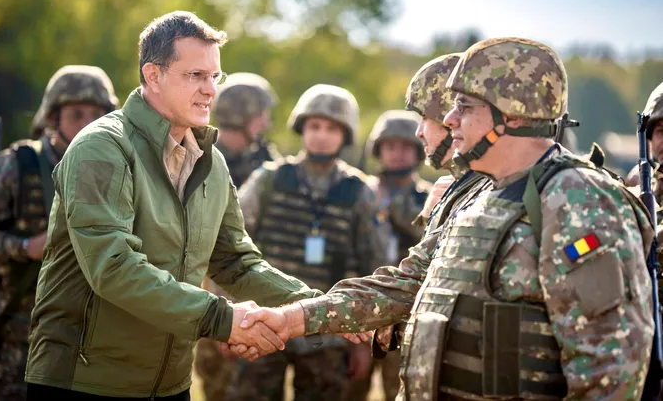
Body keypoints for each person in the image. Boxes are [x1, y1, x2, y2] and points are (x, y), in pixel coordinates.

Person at [239, 38, 656, 400]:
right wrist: (290, 318)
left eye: (464, 106)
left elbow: (610, 367)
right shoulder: (478, 192)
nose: (449, 119)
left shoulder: (577, 198)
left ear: (512, 116)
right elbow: (406, 284)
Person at [24, 11, 323, 400]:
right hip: (83, 382)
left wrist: (316, 307)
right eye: (195, 75)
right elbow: (113, 267)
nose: (210, 90)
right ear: (153, 75)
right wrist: (224, 319)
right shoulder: (101, 147)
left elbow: (235, 262)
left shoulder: (211, 162)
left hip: (171, 385)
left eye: (214, 76)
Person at [0, 65, 118, 400]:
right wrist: (22, 247)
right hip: (19, 346)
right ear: (52, 119)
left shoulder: (119, 169)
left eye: (98, 115)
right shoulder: (17, 166)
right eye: (77, 115)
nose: (89, 124)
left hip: (93, 348)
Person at [226, 84, 387, 400]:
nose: (321, 135)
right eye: (314, 126)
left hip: (329, 330)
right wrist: (231, 316)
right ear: (302, 128)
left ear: (345, 135)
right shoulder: (269, 179)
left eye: (331, 128)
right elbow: (232, 243)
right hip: (263, 320)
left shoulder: (361, 192)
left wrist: (364, 343)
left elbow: (373, 268)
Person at [196, 72, 282, 401]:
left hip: (255, 288)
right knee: (217, 384)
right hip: (208, 290)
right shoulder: (197, 156)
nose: (267, 123)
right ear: (245, 115)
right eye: (262, 115)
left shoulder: (269, 166)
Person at [346, 109, 430, 401]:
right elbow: (347, 249)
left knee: (402, 391)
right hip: (360, 305)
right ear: (378, 150)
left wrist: (392, 206)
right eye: (390, 146)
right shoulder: (360, 193)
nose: (398, 154)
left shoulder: (430, 198)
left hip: (408, 313)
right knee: (349, 389)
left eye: (406, 147)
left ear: (419, 151)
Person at [212, 72, 281, 188]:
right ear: (240, 115)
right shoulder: (203, 161)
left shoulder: (262, 157)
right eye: (261, 115)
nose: (266, 124)